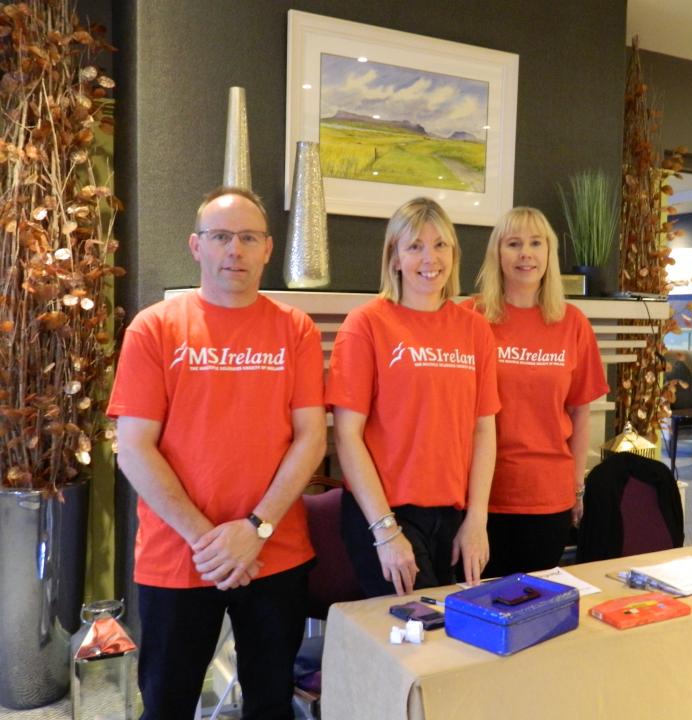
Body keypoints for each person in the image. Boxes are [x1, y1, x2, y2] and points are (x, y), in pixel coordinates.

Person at [107, 187, 327, 719]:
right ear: (196, 246)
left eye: (248, 237)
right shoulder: (155, 328)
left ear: (268, 249)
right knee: (166, 703)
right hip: (178, 557)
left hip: (274, 551)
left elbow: (312, 438)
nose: (235, 250)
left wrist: (255, 529)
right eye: (221, 236)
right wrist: (209, 542)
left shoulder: (294, 329)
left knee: (272, 702)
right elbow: (133, 449)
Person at [326, 197, 499, 596]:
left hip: (452, 518)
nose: (430, 258)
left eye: (440, 245)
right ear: (395, 257)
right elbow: (347, 435)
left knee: (451, 642)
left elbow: (483, 430)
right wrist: (385, 531)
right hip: (386, 515)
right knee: (417, 645)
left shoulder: (474, 330)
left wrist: (477, 519)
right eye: (415, 245)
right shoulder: (366, 324)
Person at [464, 206, 608, 577]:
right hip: (481, 496)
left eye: (535, 243)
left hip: (548, 498)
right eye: (513, 243)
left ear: (549, 254)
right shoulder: (470, 318)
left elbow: (580, 412)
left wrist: (577, 487)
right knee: (478, 609)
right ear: (497, 253)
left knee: (534, 610)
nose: (526, 253)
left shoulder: (572, 323)